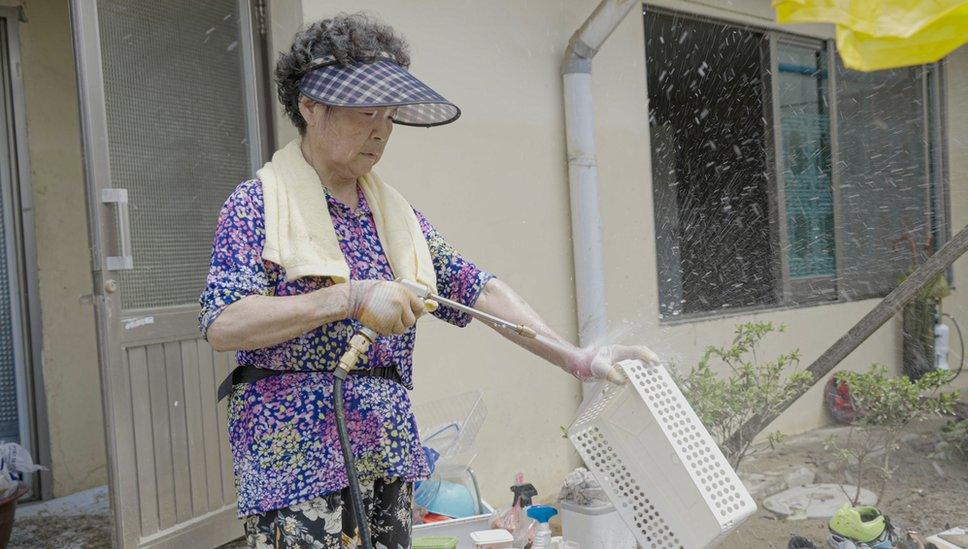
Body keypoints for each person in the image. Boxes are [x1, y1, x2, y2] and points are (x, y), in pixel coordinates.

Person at [199, 13, 658, 549]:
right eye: (365, 112)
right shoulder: (258, 203)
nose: (380, 131)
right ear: (309, 106)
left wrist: (574, 357)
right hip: (294, 457)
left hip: (385, 447)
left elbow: (474, 287)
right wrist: (350, 296)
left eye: (389, 116)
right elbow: (224, 324)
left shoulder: (394, 216)